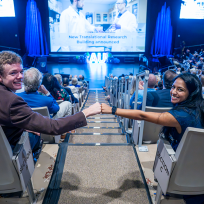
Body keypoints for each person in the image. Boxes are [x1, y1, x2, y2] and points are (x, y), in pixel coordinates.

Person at [102, 73, 204, 203]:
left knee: (162, 141)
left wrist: (112, 109)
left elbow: (142, 116)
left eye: (180, 89)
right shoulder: (199, 108)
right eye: (173, 87)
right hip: (199, 169)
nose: (173, 92)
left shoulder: (180, 116)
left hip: (180, 171)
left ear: (192, 92)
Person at [0, 51, 100, 152]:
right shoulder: (13, 101)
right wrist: (86, 112)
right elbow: (53, 126)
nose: (20, 76)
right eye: (13, 73)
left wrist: (22, 126)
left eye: (21, 72)